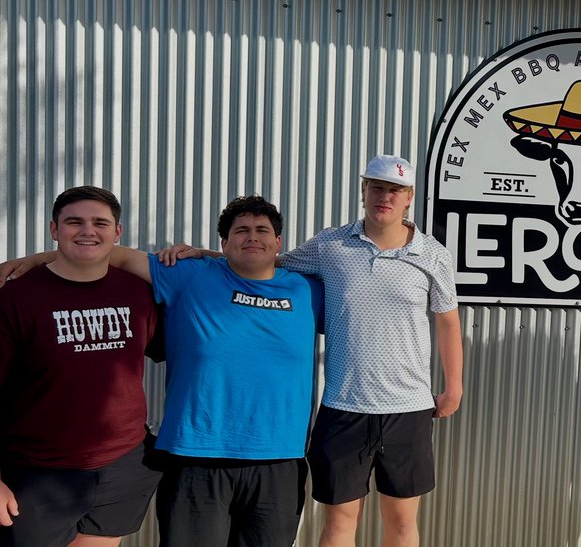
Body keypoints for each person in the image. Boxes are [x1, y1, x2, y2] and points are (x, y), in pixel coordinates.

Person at [2, 195, 322, 546]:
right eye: (241, 230)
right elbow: (112, 253)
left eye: (262, 231)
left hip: (279, 457)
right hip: (196, 454)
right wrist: (34, 261)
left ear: (278, 243)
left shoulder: (307, 289)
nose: (252, 237)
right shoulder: (190, 275)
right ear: (224, 242)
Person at [277, 155, 462, 547]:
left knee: (400, 523)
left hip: (409, 407)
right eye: (376, 187)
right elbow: (267, 264)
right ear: (364, 191)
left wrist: (454, 386)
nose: (384, 197)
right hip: (345, 405)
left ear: (409, 197)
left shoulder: (432, 255)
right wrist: (206, 258)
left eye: (395, 190)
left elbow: (448, 321)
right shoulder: (331, 245)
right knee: (341, 522)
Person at [0, 186, 161, 547]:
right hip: (38, 473)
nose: (88, 231)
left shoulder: (138, 293)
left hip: (123, 464)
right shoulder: (16, 298)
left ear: (116, 233)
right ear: (54, 229)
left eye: (100, 223)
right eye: (74, 222)